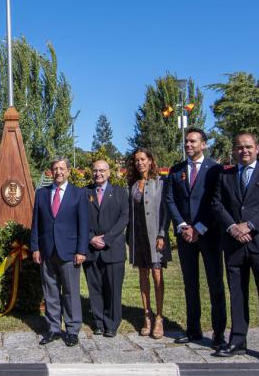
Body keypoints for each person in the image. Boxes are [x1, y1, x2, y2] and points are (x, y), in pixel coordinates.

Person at [212, 132, 259, 369]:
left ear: (257, 148)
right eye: (240, 147)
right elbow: (217, 204)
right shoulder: (226, 175)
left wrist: (250, 226)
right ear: (234, 150)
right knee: (238, 295)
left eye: (248, 147)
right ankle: (238, 341)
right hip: (234, 245)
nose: (244, 150)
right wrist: (233, 227)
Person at [165, 128, 226, 350]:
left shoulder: (216, 170)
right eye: (186, 142)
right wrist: (182, 226)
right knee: (190, 284)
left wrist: (199, 227)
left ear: (204, 145)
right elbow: (170, 200)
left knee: (215, 284)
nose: (188, 145)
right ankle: (193, 329)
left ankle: (219, 334)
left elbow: (217, 202)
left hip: (209, 234)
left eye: (193, 141)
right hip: (185, 236)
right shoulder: (176, 170)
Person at [30, 156, 89, 347]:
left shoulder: (78, 194)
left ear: (68, 171)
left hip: (70, 252)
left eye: (62, 168)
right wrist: (35, 247)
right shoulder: (41, 193)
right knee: (50, 291)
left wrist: (81, 250)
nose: (58, 172)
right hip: (47, 251)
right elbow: (36, 224)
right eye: (55, 169)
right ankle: (53, 328)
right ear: (51, 171)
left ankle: (72, 330)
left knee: (71, 292)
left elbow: (83, 225)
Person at [126, 148, 171, 339]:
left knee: (157, 273)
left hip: (155, 236)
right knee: (143, 275)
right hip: (138, 237)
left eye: (143, 159)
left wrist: (162, 234)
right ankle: (147, 315)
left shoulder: (161, 182)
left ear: (151, 161)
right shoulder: (133, 185)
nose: (140, 163)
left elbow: (166, 211)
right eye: (136, 160)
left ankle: (159, 318)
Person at [84, 158, 129, 337]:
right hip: (91, 249)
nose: (98, 173)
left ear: (109, 172)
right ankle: (98, 322)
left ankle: (111, 323)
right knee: (94, 289)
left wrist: (107, 238)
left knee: (112, 289)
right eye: (95, 170)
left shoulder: (119, 193)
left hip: (113, 249)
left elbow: (124, 218)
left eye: (102, 170)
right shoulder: (85, 193)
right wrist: (91, 238)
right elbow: (80, 219)